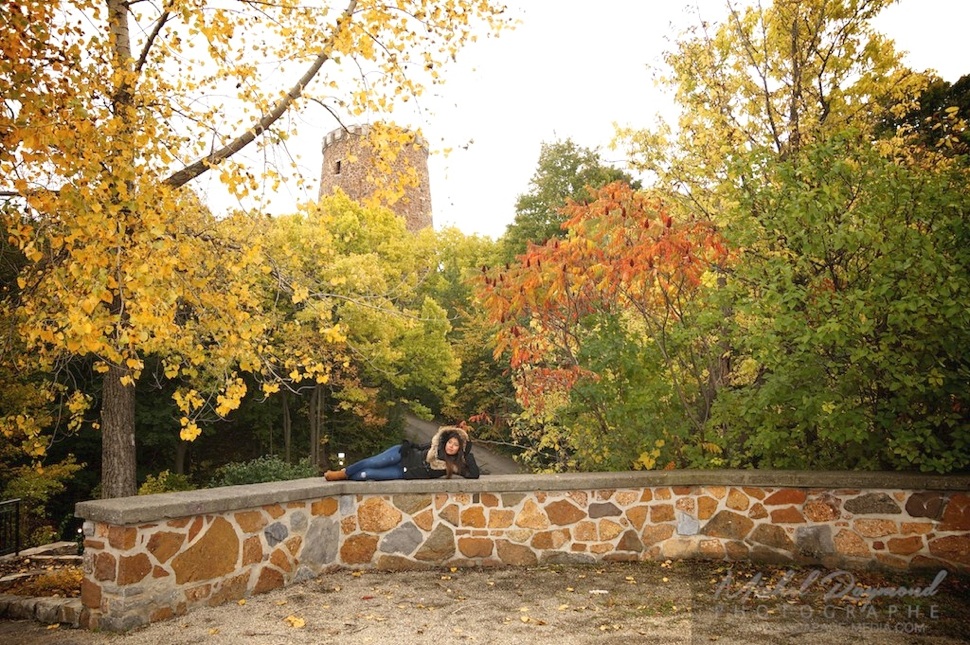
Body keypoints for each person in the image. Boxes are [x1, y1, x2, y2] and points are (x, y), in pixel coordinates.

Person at [324, 425, 480, 481]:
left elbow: (473, 474)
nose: (451, 446)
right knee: (373, 462)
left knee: (367, 474)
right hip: (403, 455)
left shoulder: (454, 466)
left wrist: (467, 454)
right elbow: (419, 446)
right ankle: (342, 473)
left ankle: (347, 477)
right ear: (446, 442)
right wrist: (408, 444)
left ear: (459, 449)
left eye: (456, 445)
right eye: (450, 443)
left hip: (403, 473)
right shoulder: (436, 446)